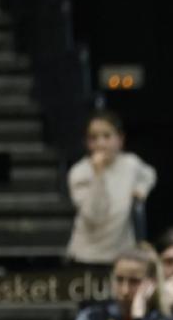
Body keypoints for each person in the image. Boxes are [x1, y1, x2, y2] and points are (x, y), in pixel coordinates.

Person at [65, 110, 157, 265]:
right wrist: (98, 175)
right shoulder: (79, 172)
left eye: (107, 136)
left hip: (121, 254)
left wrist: (141, 189)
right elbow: (94, 215)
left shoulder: (131, 164)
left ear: (120, 139)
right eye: (94, 138)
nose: (100, 143)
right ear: (87, 142)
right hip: (86, 255)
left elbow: (149, 174)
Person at [73, 244, 173, 320]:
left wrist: (138, 317)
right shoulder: (91, 317)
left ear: (152, 283)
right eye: (119, 279)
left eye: (134, 281)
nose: (125, 291)